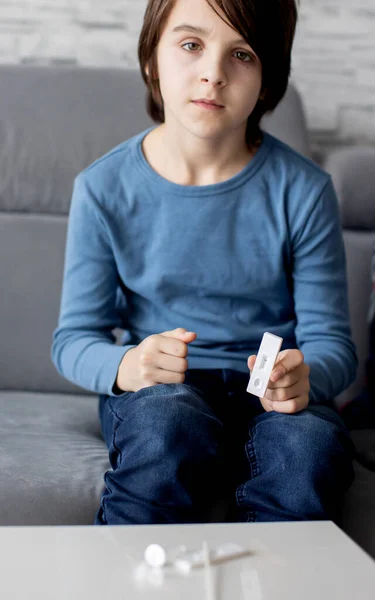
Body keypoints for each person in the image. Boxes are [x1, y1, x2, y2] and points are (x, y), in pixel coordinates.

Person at [52, 0, 358, 526]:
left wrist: (307, 376)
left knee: (308, 445)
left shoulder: (305, 191)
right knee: (166, 424)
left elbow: (332, 345)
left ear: (267, 81)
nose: (213, 73)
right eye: (191, 45)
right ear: (152, 60)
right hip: (165, 392)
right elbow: (73, 340)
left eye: (241, 54)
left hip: (270, 397)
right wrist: (127, 365)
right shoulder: (103, 188)